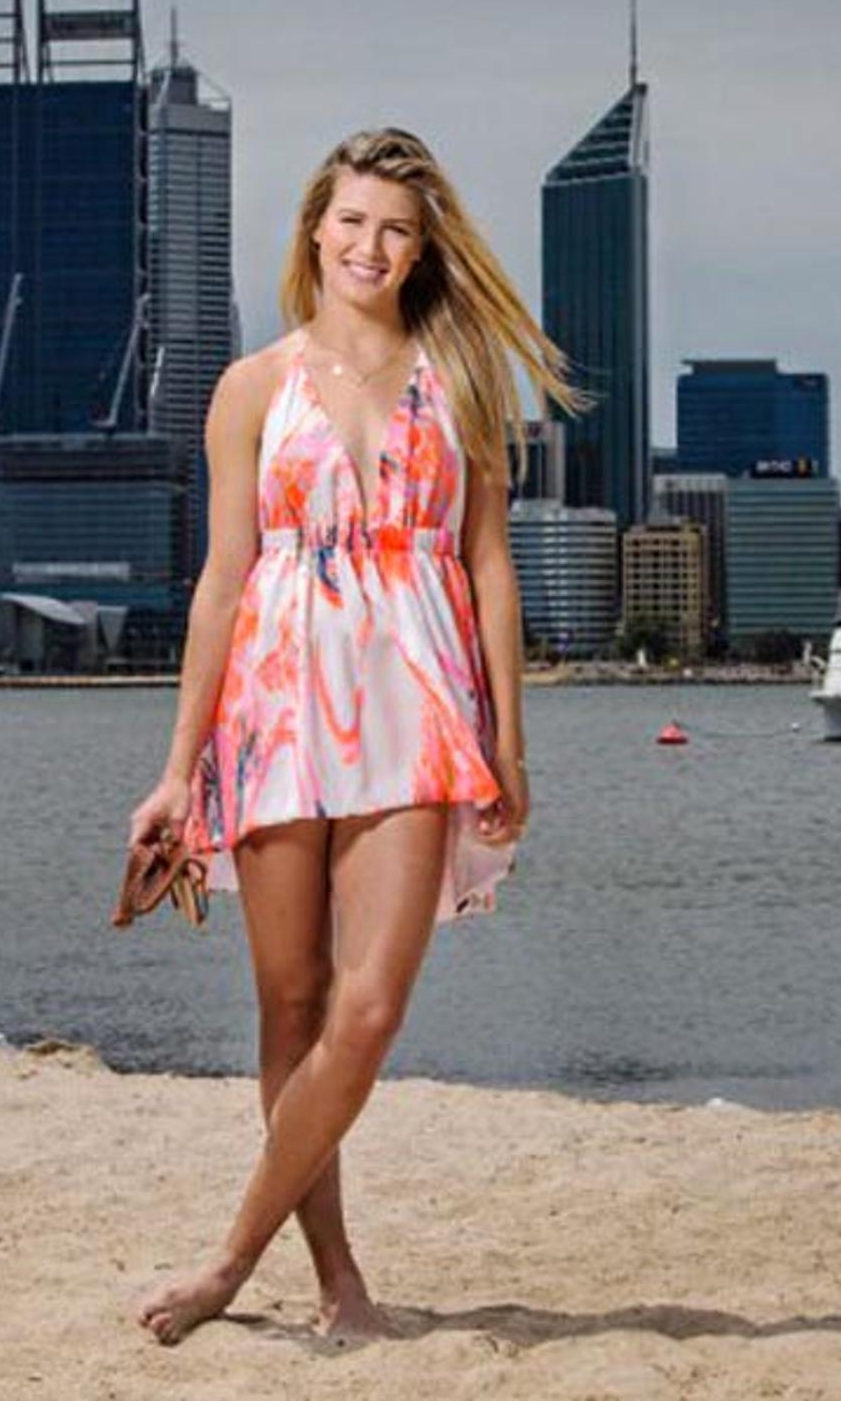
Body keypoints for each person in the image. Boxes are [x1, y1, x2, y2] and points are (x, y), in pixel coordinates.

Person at [125, 127, 586, 1346]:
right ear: (314, 233)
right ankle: (336, 1285)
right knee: (292, 1009)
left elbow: (490, 571)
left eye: (395, 227)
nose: (370, 245)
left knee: (367, 1012)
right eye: (351, 222)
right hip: (274, 714)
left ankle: (229, 1262)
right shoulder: (252, 388)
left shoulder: (468, 379)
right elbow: (223, 582)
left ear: (421, 246)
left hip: (419, 715)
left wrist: (511, 741)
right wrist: (179, 772)